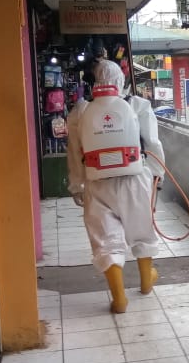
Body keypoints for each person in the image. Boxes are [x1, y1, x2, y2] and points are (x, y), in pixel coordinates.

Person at [69, 60, 165, 314]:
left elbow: (74, 153)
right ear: (121, 80)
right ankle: (146, 281)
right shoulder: (137, 105)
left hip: (96, 182)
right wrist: (158, 174)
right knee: (142, 230)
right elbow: (153, 143)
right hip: (135, 179)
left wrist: (77, 185)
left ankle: (119, 298)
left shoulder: (81, 111)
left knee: (105, 239)